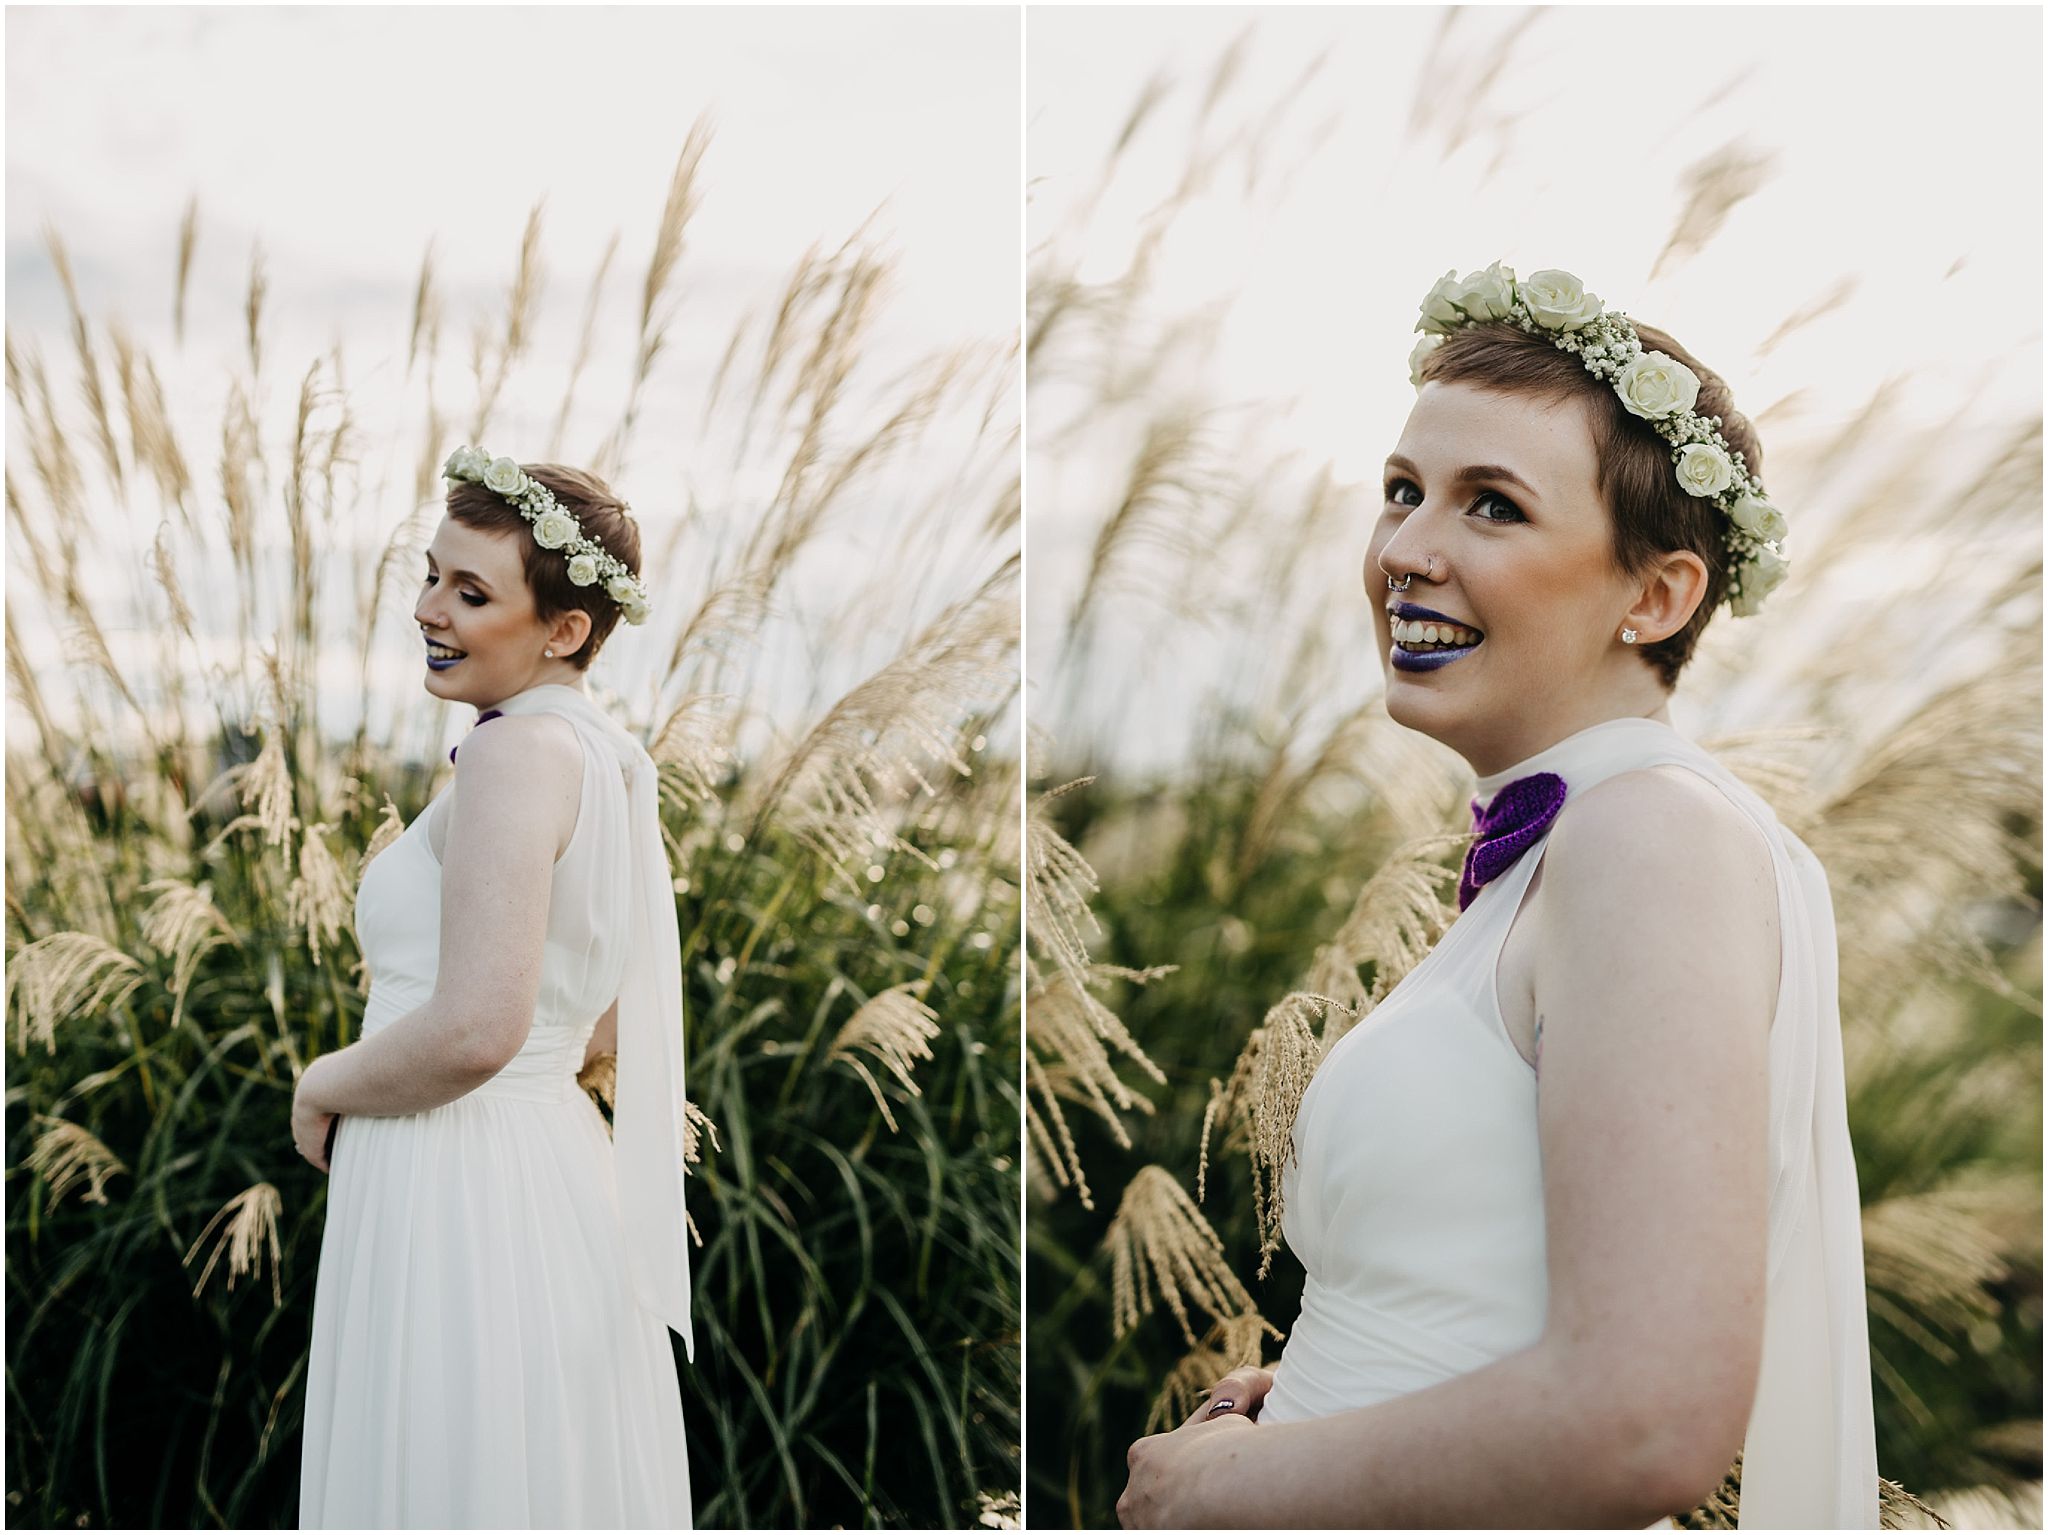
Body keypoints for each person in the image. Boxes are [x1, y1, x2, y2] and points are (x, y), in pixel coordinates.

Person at [1118, 265, 1877, 1528]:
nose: (1405, 553)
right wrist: (1321, 1391)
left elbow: (1645, 1422)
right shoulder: (1571, 843)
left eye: (1492, 508)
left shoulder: (1649, 838)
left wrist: (1232, 1494)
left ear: (1655, 594)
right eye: (1402, 492)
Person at [292, 450, 696, 1528]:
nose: (429, 608)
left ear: (563, 629)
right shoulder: (605, 756)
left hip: (457, 1172)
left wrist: (322, 1077)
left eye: (472, 593)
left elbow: (475, 1027)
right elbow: (601, 1015)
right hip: (553, 1167)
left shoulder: (515, 755)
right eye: (432, 575)